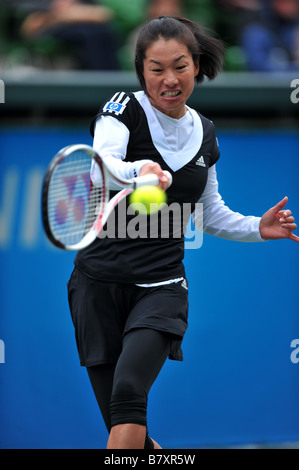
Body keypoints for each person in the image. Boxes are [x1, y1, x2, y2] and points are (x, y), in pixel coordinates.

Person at [67, 16, 299, 449]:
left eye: (179, 66)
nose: (169, 79)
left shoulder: (206, 133)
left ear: (196, 65)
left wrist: (258, 227)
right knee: (131, 434)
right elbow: (102, 165)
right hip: (97, 287)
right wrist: (141, 170)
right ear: (142, 71)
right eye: (157, 69)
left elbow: (210, 213)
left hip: (161, 287)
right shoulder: (121, 109)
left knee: (128, 395)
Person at [20, 0, 120, 70]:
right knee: (87, 36)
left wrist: (72, 13)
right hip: (51, 27)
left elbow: (104, 14)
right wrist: (63, 14)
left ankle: (111, 77)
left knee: (103, 32)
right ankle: (97, 79)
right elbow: (31, 24)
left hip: (83, 26)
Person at [240, 0, 299, 71]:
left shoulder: (292, 29)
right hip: (267, 81)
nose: (292, 6)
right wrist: (293, 69)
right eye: (286, 2)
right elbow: (258, 67)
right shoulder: (256, 32)